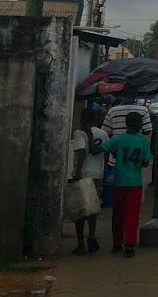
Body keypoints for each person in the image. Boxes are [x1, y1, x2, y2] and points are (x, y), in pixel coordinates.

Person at [102, 111, 153, 257]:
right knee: (132, 214)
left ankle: (117, 243)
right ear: (137, 125)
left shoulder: (118, 139)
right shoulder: (143, 141)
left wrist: (112, 157)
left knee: (118, 213)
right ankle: (129, 244)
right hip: (135, 182)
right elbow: (145, 162)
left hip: (119, 181)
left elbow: (103, 149)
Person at [68, 108, 105, 255]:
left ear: (82, 118)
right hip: (97, 174)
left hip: (83, 174)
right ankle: (92, 235)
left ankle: (80, 243)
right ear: (95, 118)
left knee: (79, 210)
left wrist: (78, 171)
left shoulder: (79, 133)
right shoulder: (103, 134)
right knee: (92, 209)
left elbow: (82, 151)